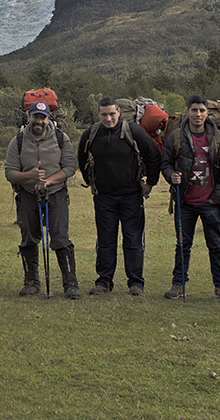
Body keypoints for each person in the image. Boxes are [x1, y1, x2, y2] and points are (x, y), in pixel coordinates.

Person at [77, 96, 161, 296]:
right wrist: (90, 182)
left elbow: (154, 154)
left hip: (131, 195)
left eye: (112, 114)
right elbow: (81, 156)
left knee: (132, 240)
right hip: (104, 196)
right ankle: (104, 281)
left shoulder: (133, 131)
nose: (108, 118)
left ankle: (135, 283)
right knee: (105, 240)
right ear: (98, 114)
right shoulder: (92, 133)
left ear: (119, 112)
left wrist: (151, 183)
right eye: (104, 114)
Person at [160, 95, 220, 301]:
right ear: (187, 112)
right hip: (184, 201)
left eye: (202, 111)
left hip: (210, 202)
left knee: (216, 245)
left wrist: (217, 198)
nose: (198, 114)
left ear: (207, 113)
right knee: (182, 245)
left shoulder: (219, 137)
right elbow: (165, 163)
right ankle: (178, 285)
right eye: (194, 110)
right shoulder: (175, 136)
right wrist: (170, 176)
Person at [5, 101, 80, 298]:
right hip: (27, 194)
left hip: (56, 193)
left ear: (49, 118)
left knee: (60, 238)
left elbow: (70, 167)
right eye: (35, 116)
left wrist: (48, 181)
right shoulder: (18, 140)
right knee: (29, 238)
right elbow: (10, 172)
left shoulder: (60, 138)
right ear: (28, 117)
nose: (39, 121)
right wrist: (30, 175)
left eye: (42, 117)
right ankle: (31, 282)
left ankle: (70, 284)